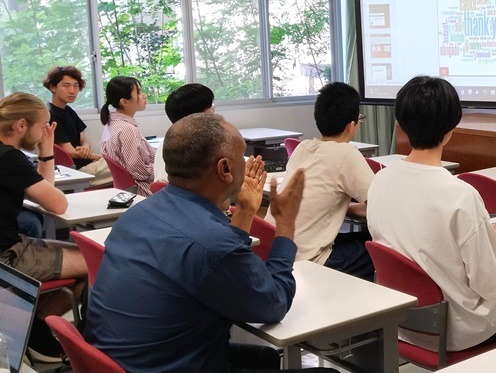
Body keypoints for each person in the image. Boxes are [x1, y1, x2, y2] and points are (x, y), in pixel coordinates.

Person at [86, 113, 333, 373]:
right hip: (166, 365)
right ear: (225, 169)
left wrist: (246, 210)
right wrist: (285, 222)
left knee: (264, 357)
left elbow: (213, 257)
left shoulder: (137, 215)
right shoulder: (212, 244)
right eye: (242, 156)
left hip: (125, 361)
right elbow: (275, 303)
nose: (246, 162)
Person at [367, 76, 496, 351]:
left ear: (400, 123)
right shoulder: (460, 195)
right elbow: (489, 284)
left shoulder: (380, 181)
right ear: (451, 129)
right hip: (457, 329)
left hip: (402, 319)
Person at [0, 92, 88, 363]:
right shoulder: (8, 157)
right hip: (6, 255)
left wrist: (46, 149)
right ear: (21, 125)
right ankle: (40, 334)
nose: (44, 133)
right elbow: (58, 204)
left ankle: (33, 329)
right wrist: (44, 150)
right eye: (42, 126)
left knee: (83, 254)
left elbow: (45, 192)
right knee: (95, 262)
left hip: (11, 243)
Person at [265, 82, 374, 279]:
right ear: (351, 125)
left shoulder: (302, 148)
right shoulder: (346, 153)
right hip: (308, 261)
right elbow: (378, 208)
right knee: (378, 248)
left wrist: (344, 208)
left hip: (277, 252)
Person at [42, 65, 113, 186]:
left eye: (76, 86)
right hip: (75, 171)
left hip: (87, 165)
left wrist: (85, 148)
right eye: (66, 85)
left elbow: (84, 139)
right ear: (53, 87)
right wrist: (103, 158)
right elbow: (70, 152)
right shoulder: (50, 115)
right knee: (124, 164)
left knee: (125, 163)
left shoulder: (69, 110)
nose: (72, 90)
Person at [100, 76, 157, 195]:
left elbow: (149, 154)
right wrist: (164, 168)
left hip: (130, 190)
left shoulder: (113, 123)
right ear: (125, 102)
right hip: (143, 191)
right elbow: (140, 172)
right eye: (139, 92)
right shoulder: (127, 130)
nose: (144, 95)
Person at [153, 83, 215, 183]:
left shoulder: (168, 141)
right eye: (210, 106)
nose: (213, 110)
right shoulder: (200, 146)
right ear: (197, 116)